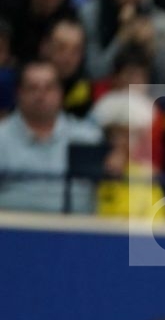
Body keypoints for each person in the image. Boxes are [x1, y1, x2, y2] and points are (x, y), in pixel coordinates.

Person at [0, 60, 101, 213]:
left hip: (78, 231)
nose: (41, 96)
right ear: (18, 93)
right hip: (11, 230)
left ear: (60, 92)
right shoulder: (2, 137)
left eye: (49, 88)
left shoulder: (89, 138)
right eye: (32, 88)